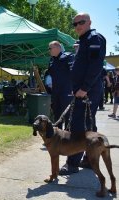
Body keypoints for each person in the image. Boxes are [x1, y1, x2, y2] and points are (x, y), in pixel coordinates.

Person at [59, 13, 106, 175]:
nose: (78, 25)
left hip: (88, 91)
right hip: (84, 90)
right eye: (75, 24)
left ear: (89, 22)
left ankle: (72, 163)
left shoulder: (94, 38)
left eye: (81, 22)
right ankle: (89, 158)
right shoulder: (84, 40)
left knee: (78, 126)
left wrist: (84, 88)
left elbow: (96, 66)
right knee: (89, 124)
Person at [47, 41, 74, 129]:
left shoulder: (68, 56)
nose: (49, 50)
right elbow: (50, 73)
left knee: (67, 114)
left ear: (57, 47)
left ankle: (67, 136)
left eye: (50, 48)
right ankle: (58, 135)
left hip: (66, 90)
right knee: (56, 114)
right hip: (55, 91)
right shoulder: (52, 60)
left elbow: (74, 73)